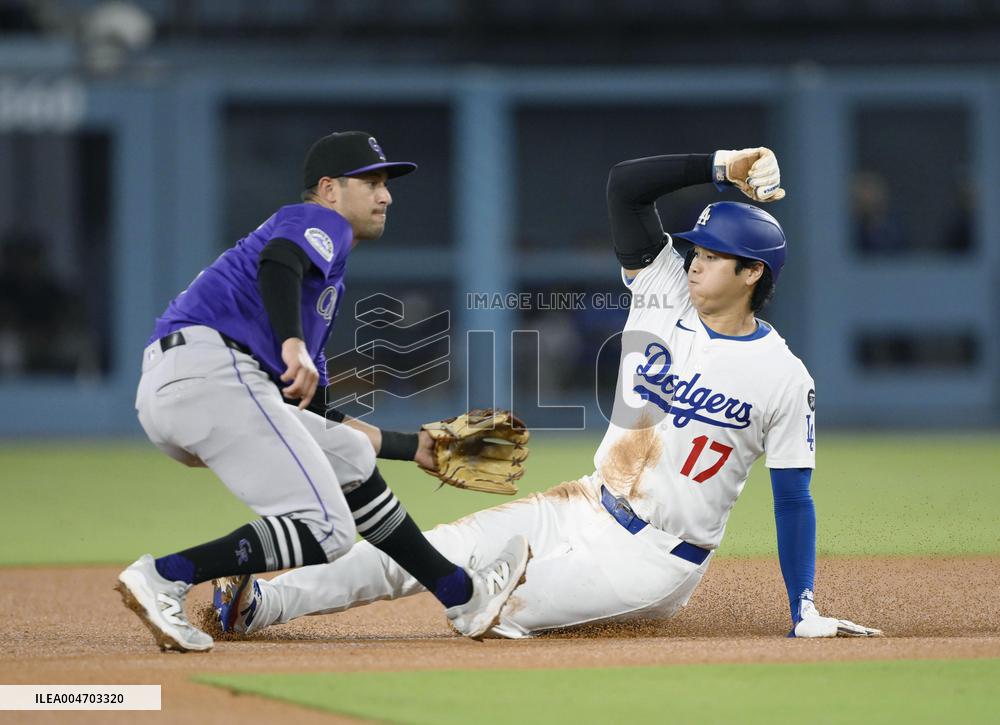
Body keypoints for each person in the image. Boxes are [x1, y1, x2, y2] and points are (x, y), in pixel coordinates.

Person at [212, 147, 880, 640]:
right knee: (425, 551)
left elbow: (794, 497)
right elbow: (625, 186)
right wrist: (721, 167)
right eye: (695, 247)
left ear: (752, 271)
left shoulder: (784, 376)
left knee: (494, 607)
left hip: (655, 560)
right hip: (584, 502)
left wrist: (805, 608)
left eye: (710, 252)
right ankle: (265, 604)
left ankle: (500, 587)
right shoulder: (664, 286)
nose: (694, 256)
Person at [116, 131, 529, 652]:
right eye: (372, 183)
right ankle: (164, 575)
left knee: (350, 455)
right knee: (328, 531)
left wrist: (414, 447)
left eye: (387, 185)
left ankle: (461, 594)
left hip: (187, 388)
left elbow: (316, 410)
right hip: (212, 372)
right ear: (329, 189)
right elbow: (280, 261)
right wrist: (292, 344)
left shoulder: (322, 291)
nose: (386, 196)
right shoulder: (316, 222)